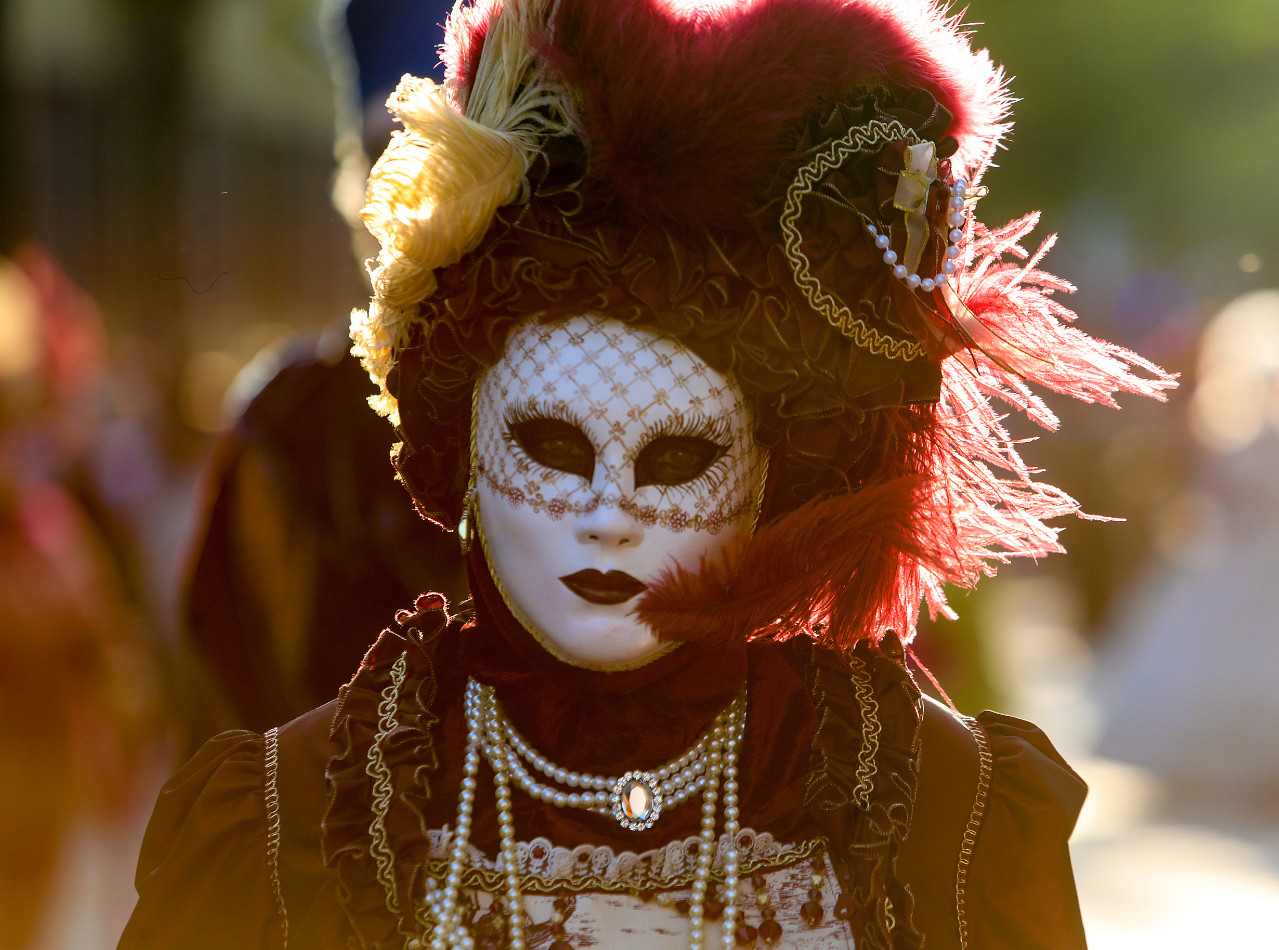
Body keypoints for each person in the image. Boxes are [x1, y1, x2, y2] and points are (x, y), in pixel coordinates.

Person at [121, 1, 1172, 947]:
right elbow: (227, 662)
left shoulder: (926, 806)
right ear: (457, 453)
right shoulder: (283, 818)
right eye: (550, 447)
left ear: (773, 473)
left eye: (678, 458)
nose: (607, 516)